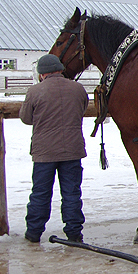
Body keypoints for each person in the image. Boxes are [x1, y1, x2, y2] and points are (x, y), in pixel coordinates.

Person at [19, 54, 90, 244]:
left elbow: (26, 118)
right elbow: (82, 109)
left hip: (45, 152)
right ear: (60, 69)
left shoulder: (35, 91)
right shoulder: (78, 88)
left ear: (42, 74)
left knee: (41, 193)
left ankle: (34, 232)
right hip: (72, 150)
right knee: (72, 192)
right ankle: (74, 233)